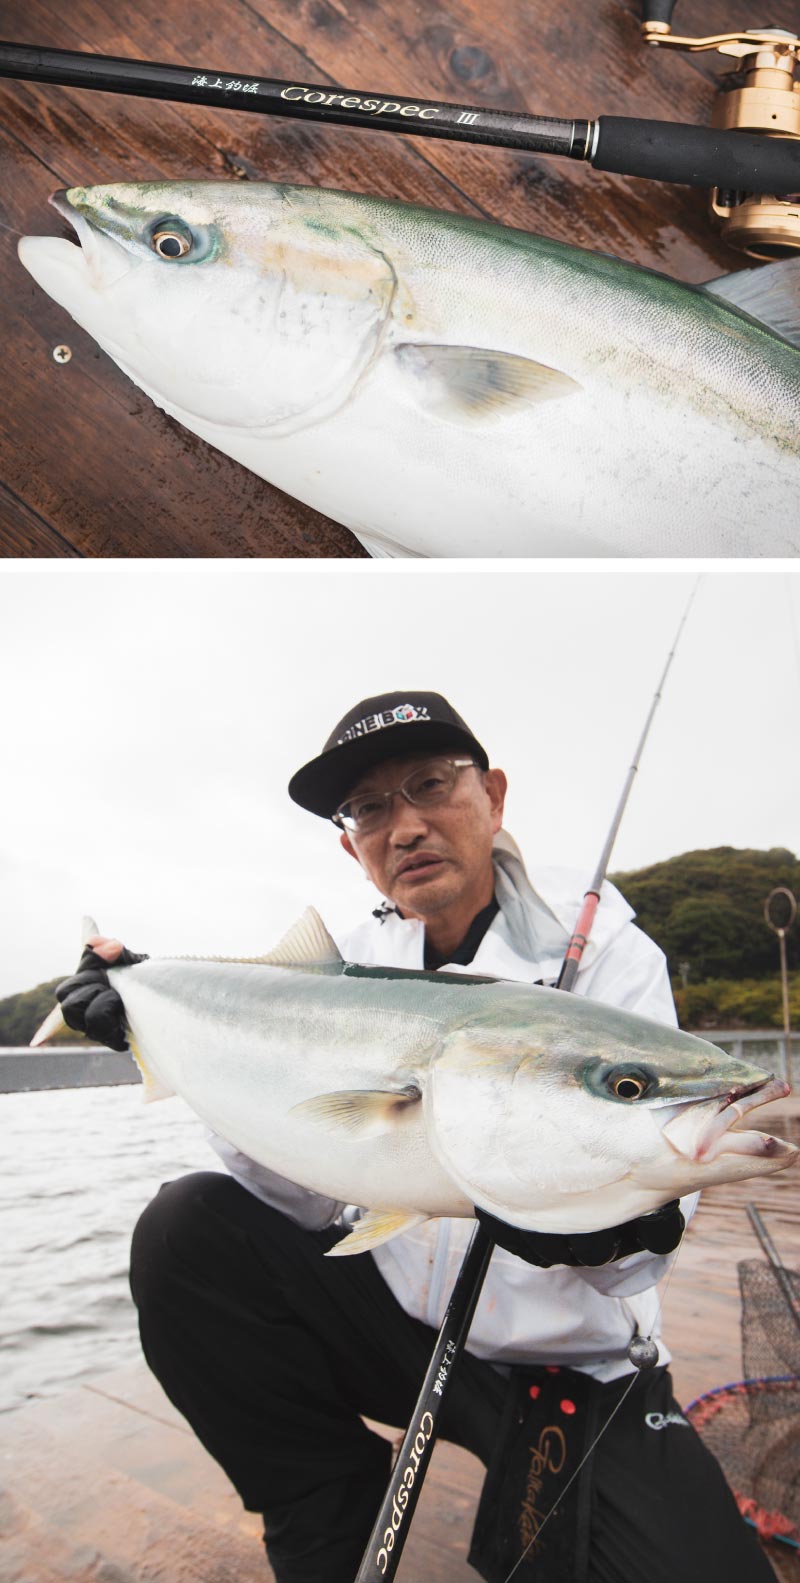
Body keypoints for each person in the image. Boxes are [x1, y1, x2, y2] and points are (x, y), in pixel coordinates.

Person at [56, 691, 776, 1583]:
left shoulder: (610, 958)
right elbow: (298, 1199)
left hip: (574, 1360)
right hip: (396, 1329)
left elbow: (638, 1248)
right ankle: (320, 1499)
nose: (404, 827)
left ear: (493, 796)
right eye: (368, 808)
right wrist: (150, 1022)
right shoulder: (335, 968)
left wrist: (616, 1228)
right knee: (187, 1230)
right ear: (350, 845)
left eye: (430, 785)